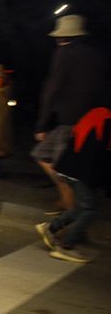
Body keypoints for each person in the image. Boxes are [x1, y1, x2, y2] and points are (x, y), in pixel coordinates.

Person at [32, 14, 108, 215]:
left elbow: (52, 88)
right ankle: (66, 200)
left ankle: (71, 209)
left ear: (62, 36)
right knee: (48, 157)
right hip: (91, 120)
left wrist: (42, 124)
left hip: (70, 120)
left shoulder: (64, 53)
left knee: (61, 166)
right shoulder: (96, 55)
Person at [36, 100, 111, 263]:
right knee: (89, 210)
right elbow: (101, 156)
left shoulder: (97, 113)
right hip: (81, 171)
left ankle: (50, 228)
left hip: (70, 167)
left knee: (80, 207)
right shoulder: (106, 120)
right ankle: (66, 246)